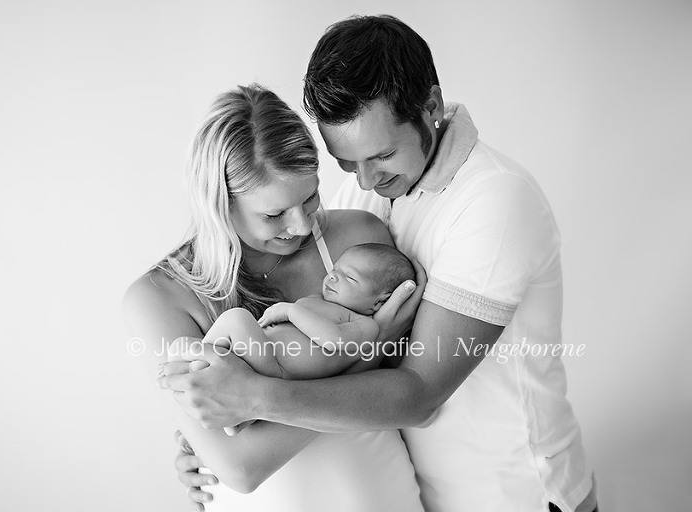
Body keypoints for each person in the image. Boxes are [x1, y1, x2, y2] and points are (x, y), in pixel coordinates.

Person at [163, 15, 598, 512]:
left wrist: (252, 399)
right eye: (346, 163)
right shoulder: (368, 196)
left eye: (382, 155)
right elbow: (344, 358)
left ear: (431, 107)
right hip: (424, 496)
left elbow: (418, 392)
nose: (365, 180)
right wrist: (214, 444)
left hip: (515, 494)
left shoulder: (494, 201)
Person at [124, 84, 426, 512]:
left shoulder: (356, 243)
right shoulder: (160, 297)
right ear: (218, 205)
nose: (302, 226)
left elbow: (407, 396)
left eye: (310, 197)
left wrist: (263, 402)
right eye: (274, 214)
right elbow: (241, 468)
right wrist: (367, 354)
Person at [189, 243, 416, 382]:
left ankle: (196, 365)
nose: (333, 276)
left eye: (350, 277)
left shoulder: (365, 325)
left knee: (236, 318)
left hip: (278, 370)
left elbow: (333, 340)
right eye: (335, 268)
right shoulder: (316, 300)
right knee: (222, 342)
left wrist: (290, 311)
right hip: (259, 355)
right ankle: (201, 373)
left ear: (379, 302)